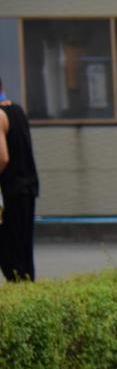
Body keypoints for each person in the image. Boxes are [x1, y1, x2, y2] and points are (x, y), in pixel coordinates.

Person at [0, 75, 39, 282]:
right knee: (24, 250)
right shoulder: (17, 111)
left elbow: (2, 157)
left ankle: (19, 293)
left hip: (8, 193)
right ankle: (27, 292)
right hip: (27, 188)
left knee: (8, 251)